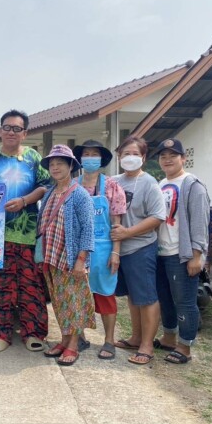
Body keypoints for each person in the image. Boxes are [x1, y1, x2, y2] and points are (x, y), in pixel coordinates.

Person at [0, 109, 51, 353]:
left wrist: (25, 201)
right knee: (0, 286)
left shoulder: (33, 157)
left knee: (30, 285)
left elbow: (46, 186)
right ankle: (1, 334)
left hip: (27, 233)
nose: (11, 132)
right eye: (7, 127)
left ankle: (33, 333)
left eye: (17, 128)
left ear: (24, 133)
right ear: (0, 130)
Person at [153, 138, 210, 364]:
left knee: (184, 301)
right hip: (160, 252)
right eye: (163, 156)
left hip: (181, 253)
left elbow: (200, 222)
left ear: (183, 158)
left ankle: (185, 346)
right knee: (165, 298)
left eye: (173, 156)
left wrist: (197, 255)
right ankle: (169, 337)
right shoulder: (160, 184)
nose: (167, 160)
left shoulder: (192, 185)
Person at [110, 135, 166, 365]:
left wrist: (128, 233)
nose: (130, 158)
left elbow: (157, 217)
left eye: (135, 154)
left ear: (143, 157)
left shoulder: (149, 183)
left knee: (147, 297)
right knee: (133, 296)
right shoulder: (113, 181)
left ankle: (147, 346)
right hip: (119, 248)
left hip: (140, 247)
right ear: (119, 157)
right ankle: (135, 337)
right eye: (126, 154)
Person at [38, 145, 95, 366]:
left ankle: (73, 345)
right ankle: (64, 340)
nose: (55, 167)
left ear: (71, 166)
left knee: (74, 302)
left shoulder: (79, 194)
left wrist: (81, 260)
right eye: (52, 164)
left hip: (71, 259)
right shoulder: (50, 192)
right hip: (52, 257)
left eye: (60, 163)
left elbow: (88, 229)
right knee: (60, 301)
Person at [73, 139, 127, 360]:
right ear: (80, 159)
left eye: (94, 154)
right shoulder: (73, 185)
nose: (90, 158)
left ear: (101, 159)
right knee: (77, 294)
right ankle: (79, 337)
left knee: (105, 294)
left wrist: (116, 252)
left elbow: (117, 225)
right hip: (77, 250)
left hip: (103, 249)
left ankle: (109, 340)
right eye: (86, 154)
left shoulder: (112, 186)